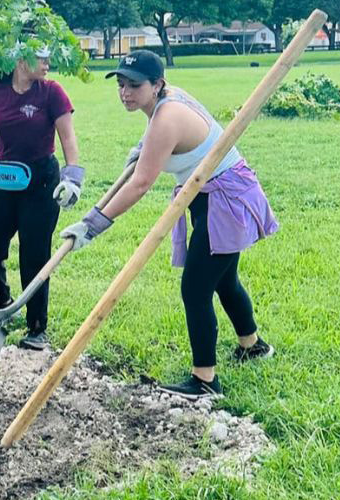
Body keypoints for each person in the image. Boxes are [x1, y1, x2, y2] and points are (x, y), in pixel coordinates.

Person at [60, 50, 277, 401]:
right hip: (214, 195)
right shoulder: (166, 101)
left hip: (225, 200)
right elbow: (160, 143)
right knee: (223, 279)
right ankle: (253, 346)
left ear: (157, 84)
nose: (125, 93)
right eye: (121, 84)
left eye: (134, 85)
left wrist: (92, 225)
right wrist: (143, 146)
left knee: (196, 289)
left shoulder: (167, 117)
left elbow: (141, 183)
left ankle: (205, 381)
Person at [0, 44, 82, 350]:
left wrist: (72, 177)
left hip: (41, 182)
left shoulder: (52, 92)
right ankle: (3, 298)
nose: (48, 63)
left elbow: (68, 137)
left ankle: (37, 328)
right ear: (21, 60)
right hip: (4, 179)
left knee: (34, 256)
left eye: (49, 58)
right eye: (41, 58)